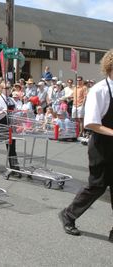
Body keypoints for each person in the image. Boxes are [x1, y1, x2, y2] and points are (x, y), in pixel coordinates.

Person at [59, 49, 113, 241]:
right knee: (97, 186)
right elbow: (91, 123)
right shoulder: (100, 89)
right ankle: (68, 214)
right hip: (102, 146)